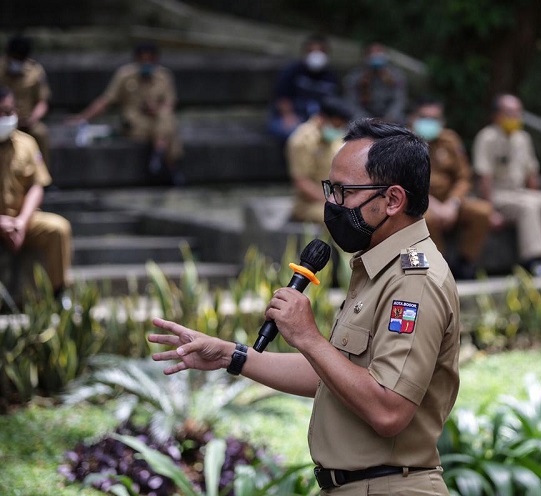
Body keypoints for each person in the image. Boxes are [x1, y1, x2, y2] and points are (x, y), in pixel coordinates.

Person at [149, 118, 459, 495]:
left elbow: (388, 410)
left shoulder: (414, 281)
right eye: (330, 189)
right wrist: (232, 355)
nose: (332, 203)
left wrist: (309, 337)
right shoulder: (378, 266)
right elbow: (335, 376)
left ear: (393, 200)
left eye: (344, 191)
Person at [474, 94, 541, 273]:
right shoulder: (487, 137)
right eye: (509, 113)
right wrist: (490, 211)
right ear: (497, 115)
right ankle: (535, 260)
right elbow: (484, 177)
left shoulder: (523, 138)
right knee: (529, 206)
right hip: (498, 194)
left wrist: (536, 195)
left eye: (518, 112)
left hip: (520, 192)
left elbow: (532, 174)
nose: (515, 117)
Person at [68, 42, 184, 185]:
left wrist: (156, 109)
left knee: (166, 119)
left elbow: (169, 103)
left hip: (157, 122)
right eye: (143, 59)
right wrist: (82, 117)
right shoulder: (125, 75)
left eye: (150, 59)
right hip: (135, 125)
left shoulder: (164, 76)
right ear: (137, 59)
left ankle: (158, 156)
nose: (146, 63)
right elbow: (106, 101)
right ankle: (168, 165)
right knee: (169, 129)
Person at [409, 98, 497, 279]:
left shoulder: (449, 140)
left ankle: (465, 262)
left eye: (434, 119)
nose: (429, 122)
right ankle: (440, 265)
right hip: (421, 201)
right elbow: (404, 182)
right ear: (413, 118)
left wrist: (453, 203)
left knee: (483, 211)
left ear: (442, 122)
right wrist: (434, 205)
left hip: (451, 201)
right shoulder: (403, 143)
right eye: (424, 117)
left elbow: (463, 177)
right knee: (426, 219)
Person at [0, 87, 71, 294]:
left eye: (8, 112)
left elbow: (36, 186)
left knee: (58, 229)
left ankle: (58, 294)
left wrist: (21, 222)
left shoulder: (27, 143)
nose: (5, 118)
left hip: (20, 219)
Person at [287, 96, 353, 224]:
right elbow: (301, 182)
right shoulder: (302, 140)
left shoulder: (335, 137)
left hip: (338, 200)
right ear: (323, 118)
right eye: (336, 124)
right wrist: (332, 202)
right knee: (340, 220)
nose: (338, 129)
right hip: (309, 205)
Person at [268, 34, 341, 145]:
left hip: (321, 120)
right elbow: (282, 97)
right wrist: (288, 116)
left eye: (320, 51)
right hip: (294, 116)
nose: (316, 55)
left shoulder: (332, 76)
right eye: (311, 51)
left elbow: (335, 103)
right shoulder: (292, 71)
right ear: (305, 53)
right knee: (294, 134)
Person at [0, 35, 52, 168]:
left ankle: (43, 177)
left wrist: (32, 119)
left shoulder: (35, 72)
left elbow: (42, 102)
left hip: (27, 122)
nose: (17, 62)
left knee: (41, 133)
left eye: (20, 59)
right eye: (14, 58)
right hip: (3, 120)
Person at [344, 42, 407, 123]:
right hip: (363, 119)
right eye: (372, 52)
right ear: (365, 56)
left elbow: (399, 101)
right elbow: (351, 103)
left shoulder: (397, 76)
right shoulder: (354, 77)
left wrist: (389, 118)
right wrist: (368, 120)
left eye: (379, 51)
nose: (376, 55)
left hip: (391, 118)